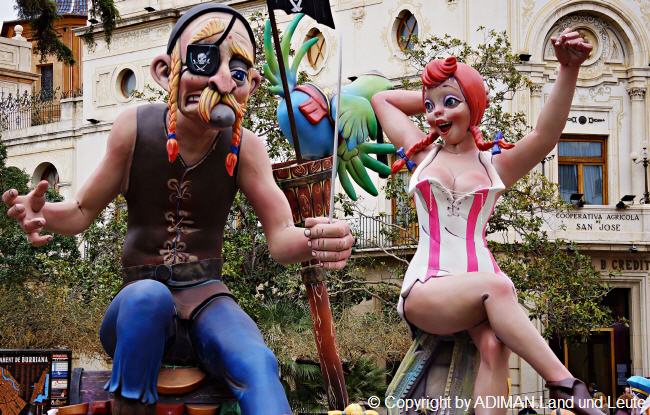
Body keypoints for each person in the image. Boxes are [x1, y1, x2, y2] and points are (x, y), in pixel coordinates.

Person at [1, 4, 354, 415]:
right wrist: (44, 213)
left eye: (239, 72)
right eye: (203, 60)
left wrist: (316, 239)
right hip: (136, 312)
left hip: (208, 300)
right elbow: (81, 209)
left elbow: (280, 238)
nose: (222, 81)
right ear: (165, 71)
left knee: (257, 363)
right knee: (148, 298)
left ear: (253, 85)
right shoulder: (134, 129)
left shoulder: (246, 148)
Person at [371, 28, 596, 415]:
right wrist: (436, 93)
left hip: (482, 289)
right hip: (427, 287)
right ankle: (566, 385)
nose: (437, 113)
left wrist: (568, 69)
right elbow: (382, 99)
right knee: (499, 285)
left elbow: (545, 135)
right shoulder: (422, 154)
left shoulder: (496, 166)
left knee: (494, 345)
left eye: (450, 103)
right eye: (430, 106)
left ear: (473, 105)